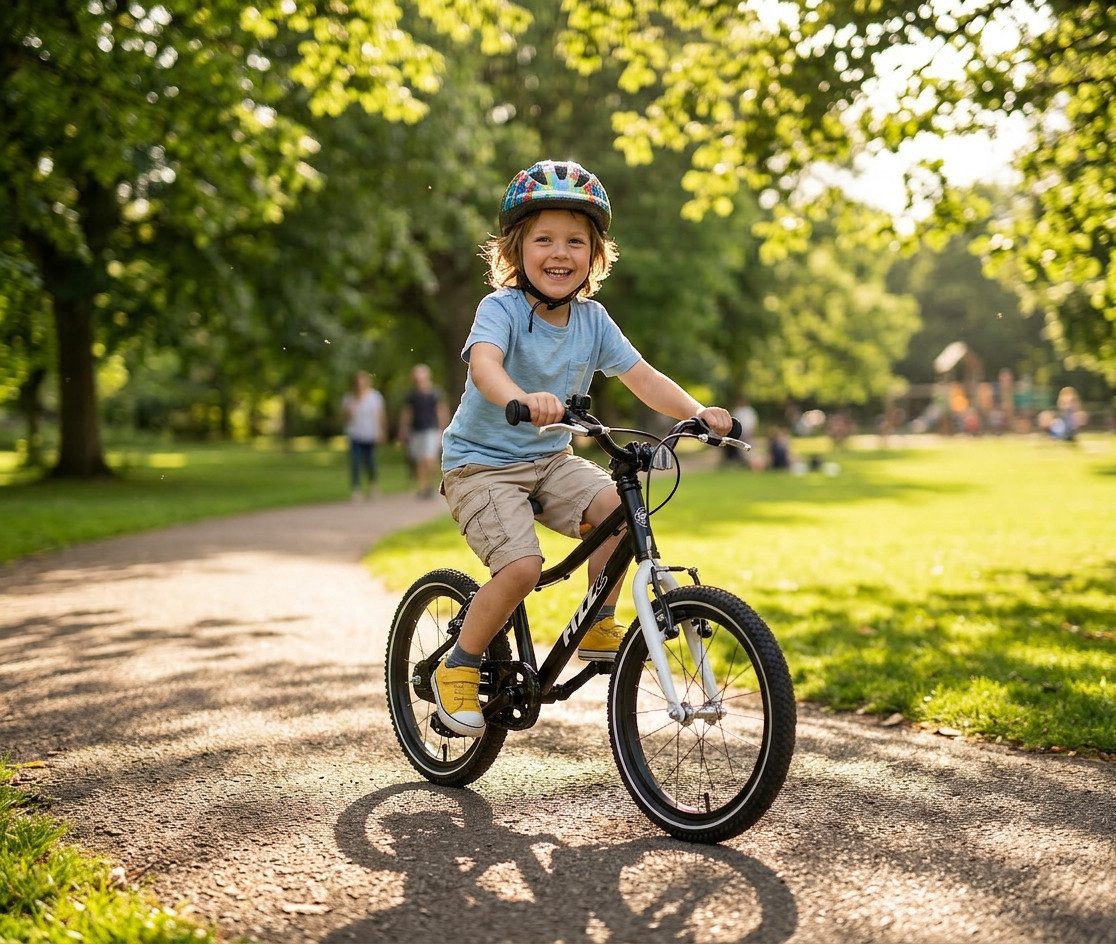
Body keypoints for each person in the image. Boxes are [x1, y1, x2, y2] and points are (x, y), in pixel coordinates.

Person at [433, 159, 733, 737]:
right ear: (516, 250)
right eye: (543, 239)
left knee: (620, 511)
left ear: (594, 256)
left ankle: (599, 623)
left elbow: (642, 376)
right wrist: (522, 398)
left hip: (550, 460)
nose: (560, 253)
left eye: (575, 241)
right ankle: (460, 666)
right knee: (521, 568)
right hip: (481, 467)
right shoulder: (501, 310)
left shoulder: (593, 320)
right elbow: (485, 366)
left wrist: (697, 413)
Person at [397, 364, 449, 498]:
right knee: (420, 460)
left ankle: (429, 484)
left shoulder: (435, 393)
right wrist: (403, 429)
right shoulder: (411, 395)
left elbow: (441, 410)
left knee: (429, 459)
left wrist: (444, 428)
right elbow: (407, 413)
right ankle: (423, 487)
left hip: (432, 429)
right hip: (416, 430)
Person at [342, 370, 387, 500]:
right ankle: (356, 490)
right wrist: (352, 408)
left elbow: (380, 415)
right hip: (355, 435)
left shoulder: (375, 396)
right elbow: (345, 417)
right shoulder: (349, 398)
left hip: (370, 434)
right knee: (355, 462)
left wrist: (381, 430)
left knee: (371, 462)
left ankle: (373, 486)